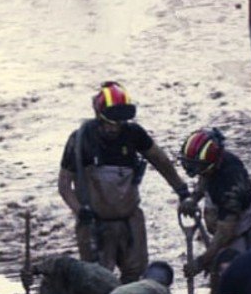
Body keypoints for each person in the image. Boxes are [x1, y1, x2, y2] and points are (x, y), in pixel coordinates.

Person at [58, 82, 190, 283]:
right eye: (110, 123)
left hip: (130, 221)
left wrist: (181, 190)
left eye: (120, 123)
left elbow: (161, 161)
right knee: (96, 282)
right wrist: (79, 210)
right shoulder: (81, 140)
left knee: (135, 276)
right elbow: (64, 184)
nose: (115, 128)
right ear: (99, 116)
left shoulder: (134, 134)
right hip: (95, 223)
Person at [178, 128, 251, 280]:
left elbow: (225, 231)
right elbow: (204, 177)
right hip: (221, 232)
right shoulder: (212, 166)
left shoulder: (230, 182)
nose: (194, 171)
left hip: (239, 235)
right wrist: (194, 198)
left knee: (236, 279)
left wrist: (202, 261)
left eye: (197, 167)